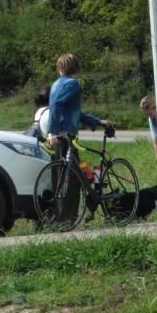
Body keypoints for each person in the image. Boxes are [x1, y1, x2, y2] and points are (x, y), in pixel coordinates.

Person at [44, 54, 115, 220]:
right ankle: (69, 218)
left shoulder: (56, 84)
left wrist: (96, 121)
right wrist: (53, 132)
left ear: (60, 67)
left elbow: (74, 112)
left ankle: (62, 217)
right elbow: (57, 106)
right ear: (75, 67)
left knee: (60, 179)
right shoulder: (73, 84)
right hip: (65, 136)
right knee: (71, 179)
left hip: (57, 137)